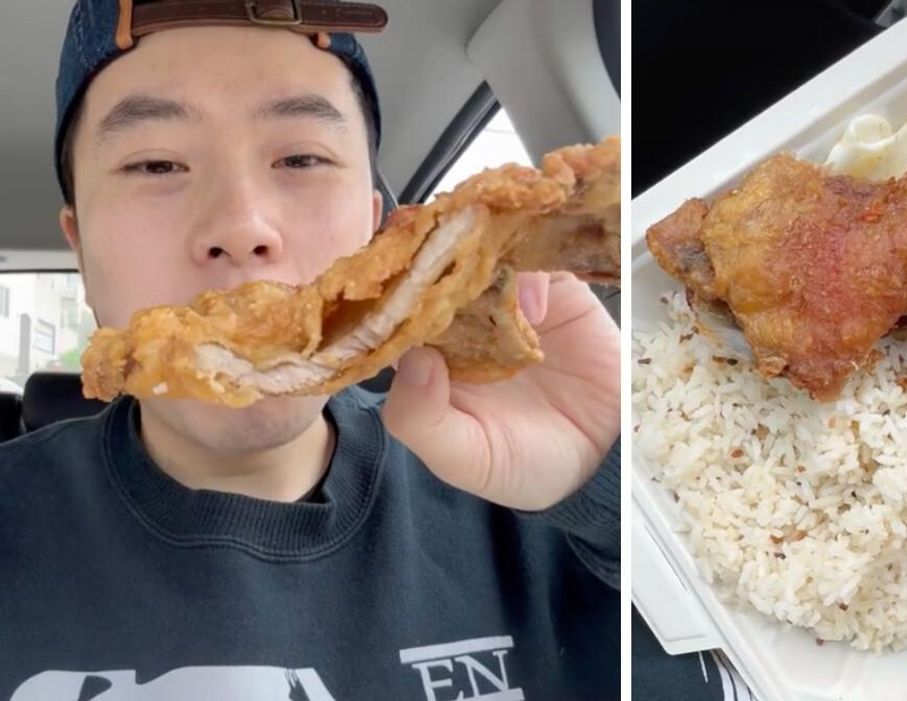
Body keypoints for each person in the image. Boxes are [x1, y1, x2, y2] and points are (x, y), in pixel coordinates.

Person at [0, 2, 621, 699]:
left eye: (301, 157)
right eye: (154, 163)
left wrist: (613, 481)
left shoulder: (529, 490)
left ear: (378, 233)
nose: (241, 226)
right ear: (80, 249)